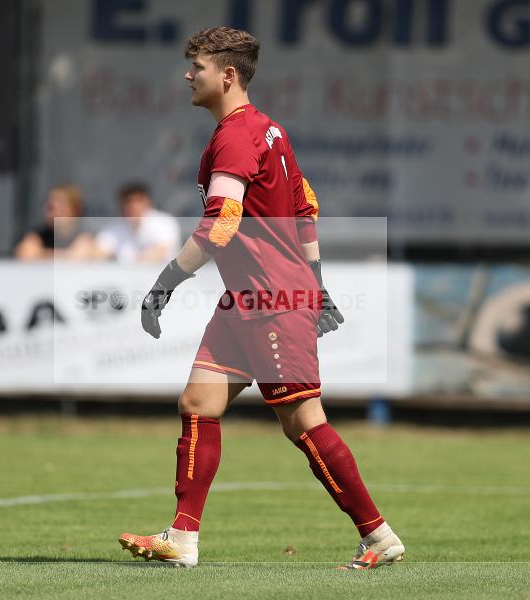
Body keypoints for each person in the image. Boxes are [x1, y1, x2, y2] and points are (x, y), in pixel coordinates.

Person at [118, 27, 404, 570]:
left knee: (302, 421)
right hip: (249, 299)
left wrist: (164, 284)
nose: (188, 75)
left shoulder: (235, 135)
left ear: (226, 76)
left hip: (270, 299)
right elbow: (306, 211)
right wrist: (316, 284)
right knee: (198, 403)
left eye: (196, 66)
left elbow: (222, 221)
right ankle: (182, 539)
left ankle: (380, 538)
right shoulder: (269, 131)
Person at [92, 182, 181, 264]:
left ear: (148, 202)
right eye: (128, 201)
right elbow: (98, 253)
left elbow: (160, 252)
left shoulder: (165, 223)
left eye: (138, 201)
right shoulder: (114, 229)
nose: (133, 206)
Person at [14, 184, 94, 260]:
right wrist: (69, 255)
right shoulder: (39, 236)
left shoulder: (86, 235)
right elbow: (26, 254)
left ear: (75, 210)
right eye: (50, 208)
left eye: (61, 207)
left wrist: (42, 254)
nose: (54, 214)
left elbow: (87, 255)